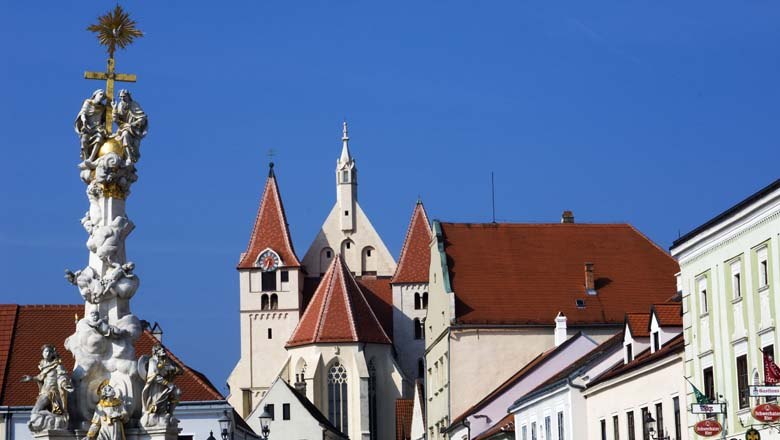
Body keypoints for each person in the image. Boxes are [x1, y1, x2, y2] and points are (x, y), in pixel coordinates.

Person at [21, 345, 74, 432]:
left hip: (51, 393)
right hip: (44, 391)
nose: (48, 353)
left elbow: (62, 376)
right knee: (35, 412)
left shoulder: (58, 365)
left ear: (52, 353)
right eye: (46, 351)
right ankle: (56, 416)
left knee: (35, 412)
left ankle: (57, 416)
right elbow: (40, 377)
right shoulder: (43, 366)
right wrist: (31, 378)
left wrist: (65, 384)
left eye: (49, 351)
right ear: (42, 353)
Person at [112, 90, 147, 162]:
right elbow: (116, 120)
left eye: (124, 96)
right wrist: (114, 108)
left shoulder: (134, 104)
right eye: (121, 97)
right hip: (124, 128)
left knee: (135, 147)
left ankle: (132, 156)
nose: (122, 98)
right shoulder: (119, 106)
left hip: (135, 130)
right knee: (125, 135)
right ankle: (128, 157)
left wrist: (133, 124)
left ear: (128, 96)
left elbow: (142, 118)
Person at [75, 90, 108, 161]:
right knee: (84, 141)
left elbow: (105, 119)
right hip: (88, 127)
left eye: (103, 97)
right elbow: (83, 113)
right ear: (95, 95)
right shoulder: (88, 102)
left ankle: (91, 158)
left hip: (97, 128)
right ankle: (86, 157)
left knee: (99, 138)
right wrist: (84, 120)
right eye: (101, 94)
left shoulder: (102, 107)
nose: (102, 97)